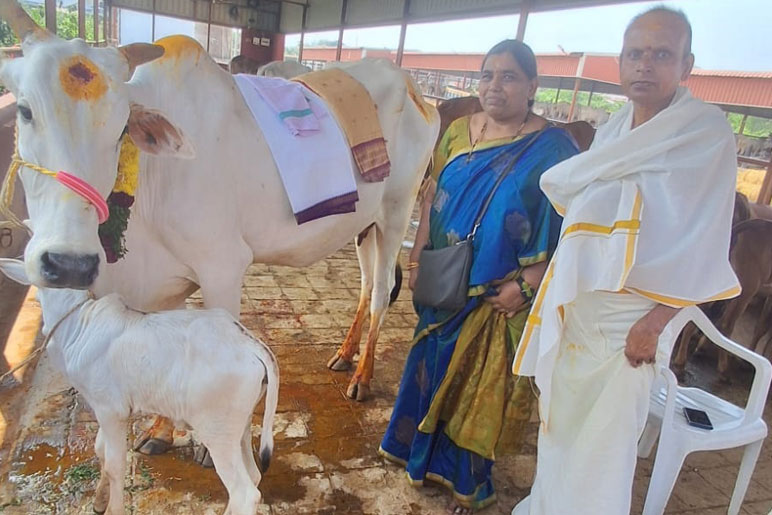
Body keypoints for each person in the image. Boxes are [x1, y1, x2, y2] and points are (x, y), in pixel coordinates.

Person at [511, 8, 740, 515]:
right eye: (635, 53)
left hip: (631, 325)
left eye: (662, 54)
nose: (645, 65)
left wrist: (657, 324)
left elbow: (705, 243)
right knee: (560, 433)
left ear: (687, 64)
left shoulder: (704, 133)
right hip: (584, 313)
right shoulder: (615, 129)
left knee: (604, 452)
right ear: (620, 61)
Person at [379, 40, 579, 514]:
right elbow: (433, 198)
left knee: (477, 386)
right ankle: (415, 452)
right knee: (428, 366)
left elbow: (565, 226)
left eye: (509, 77)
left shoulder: (553, 148)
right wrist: (417, 256)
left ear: (532, 86)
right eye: (487, 75)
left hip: (497, 292)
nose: (495, 86)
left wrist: (527, 284)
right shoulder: (455, 133)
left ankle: (464, 479)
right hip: (443, 279)